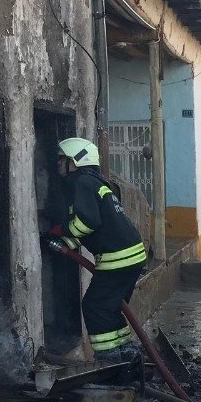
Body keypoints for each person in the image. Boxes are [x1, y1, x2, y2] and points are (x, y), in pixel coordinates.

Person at [45, 137, 147, 360]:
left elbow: (87, 222)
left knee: (94, 306)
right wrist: (66, 244)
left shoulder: (79, 182)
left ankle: (109, 360)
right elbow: (95, 228)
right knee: (110, 308)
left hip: (117, 259)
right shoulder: (97, 183)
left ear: (75, 161)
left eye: (62, 160)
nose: (58, 165)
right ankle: (126, 354)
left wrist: (61, 230)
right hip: (133, 256)